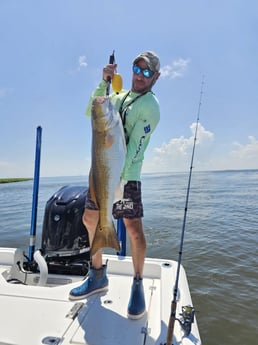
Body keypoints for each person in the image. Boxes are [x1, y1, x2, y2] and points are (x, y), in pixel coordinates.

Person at [69, 51, 161, 319]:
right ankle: (97, 275)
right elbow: (92, 110)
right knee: (90, 219)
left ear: (156, 77)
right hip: (100, 171)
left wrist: (117, 183)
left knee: (132, 229)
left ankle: (138, 282)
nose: (140, 76)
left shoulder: (150, 107)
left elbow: (134, 148)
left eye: (147, 72)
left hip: (126, 176)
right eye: (137, 69)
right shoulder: (119, 96)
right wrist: (103, 81)